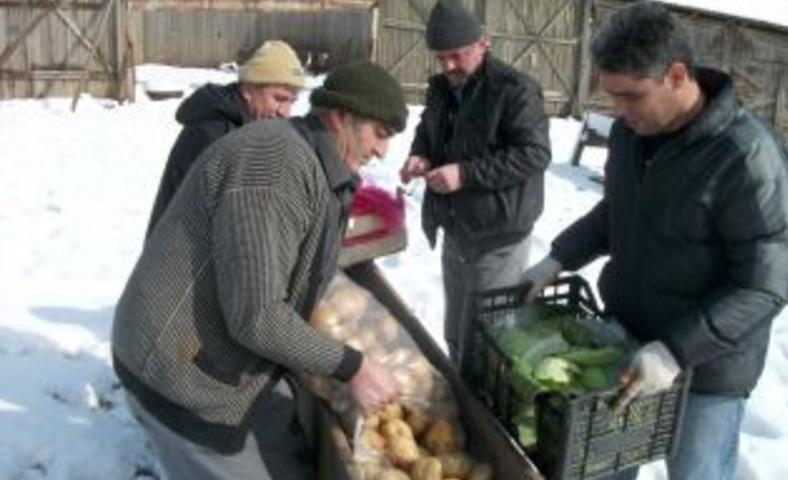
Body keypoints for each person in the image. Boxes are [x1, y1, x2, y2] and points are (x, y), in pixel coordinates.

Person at [521, 2, 788, 479]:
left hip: (707, 374)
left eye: (631, 96)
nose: (619, 110)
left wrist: (677, 349)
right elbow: (619, 212)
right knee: (601, 468)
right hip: (628, 347)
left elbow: (765, 284)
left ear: (676, 76)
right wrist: (558, 259)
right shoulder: (633, 135)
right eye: (612, 96)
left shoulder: (747, 157)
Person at [111, 61, 408, 480]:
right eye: (379, 134)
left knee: (292, 459)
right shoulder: (274, 166)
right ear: (341, 118)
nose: (382, 151)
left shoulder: (316, 163)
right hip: (176, 373)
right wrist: (352, 366)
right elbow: (258, 318)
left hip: (223, 352)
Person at [399, 0, 551, 367]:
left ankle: (483, 415)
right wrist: (420, 155)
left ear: (483, 44)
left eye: (456, 55)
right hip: (457, 228)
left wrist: (464, 174)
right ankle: (459, 398)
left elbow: (534, 154)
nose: (449, 66)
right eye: (441, 59)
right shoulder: (441, 88)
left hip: (499, 235)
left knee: (487, 340)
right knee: (456, 328)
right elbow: (428, 132)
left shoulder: (515, 90)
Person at [146, 40, 307, 236]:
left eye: (291, 102)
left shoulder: (252, 129)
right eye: (279, 99)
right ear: (249, 90)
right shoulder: (213, 134)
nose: (285, 112)